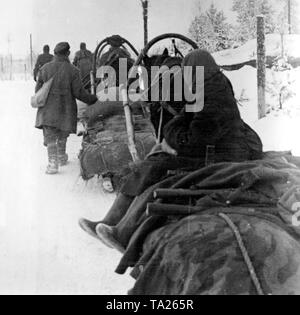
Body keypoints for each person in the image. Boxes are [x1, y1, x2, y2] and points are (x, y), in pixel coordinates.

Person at [79, 49, 263, 250]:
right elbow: (186, 120)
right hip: (215, 150)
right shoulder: (208, 87)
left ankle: (122, 231)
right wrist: (173, 132)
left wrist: (172, 136)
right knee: (153, 162)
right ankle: (113, 222)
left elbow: (196, 138)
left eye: (186, 70)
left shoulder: (212, 94)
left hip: (219, 156)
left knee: (155, 170)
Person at [35, 42, 97, 174]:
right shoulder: (73, 70)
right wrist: (93, 99)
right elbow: (79, 93)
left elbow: (38, 91)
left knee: (50, 134)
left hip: (48, 109)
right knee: (63, 132)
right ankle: (61, 156)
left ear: (55, 53)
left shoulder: (44, 69)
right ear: (68, 53)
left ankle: (53, 163)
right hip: (66, 109)